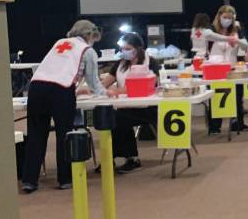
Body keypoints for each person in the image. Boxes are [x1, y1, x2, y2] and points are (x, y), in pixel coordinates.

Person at [20, 20, 108, 193]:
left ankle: (29, 180)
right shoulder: (87, 50)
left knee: (36, 134)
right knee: (65, 135)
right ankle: (65, 179)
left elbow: (55, 69)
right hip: (61, 91)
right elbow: (93, 81)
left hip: (36, 88)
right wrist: (105, 94)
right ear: (89, 35)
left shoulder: (59, 43)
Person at [100, 32, 158, 174]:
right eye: (122, 49)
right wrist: (90, 88)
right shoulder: (120, 64)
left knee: (118, 120)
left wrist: (117, 91)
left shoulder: (150, 62)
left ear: (138, 48)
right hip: (125, 106)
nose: (124, 51)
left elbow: (150, 85)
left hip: (146, 108)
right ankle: (110, 158)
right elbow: (105, 83)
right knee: (108, 117)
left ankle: (131, 158)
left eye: (128, 48)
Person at [202, 5, 248, 134]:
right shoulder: (212, 28)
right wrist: (227, 38)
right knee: (215, 96)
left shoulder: (237, 29)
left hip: (232, 68)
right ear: (219, 17)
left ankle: (237, 123)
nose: (227, 20)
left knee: (237, 96)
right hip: (215, 69)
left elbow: (245, 44)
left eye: (230, 18)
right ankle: (214, 126)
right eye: (225, 17)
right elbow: (207, 35)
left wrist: (236, 40)